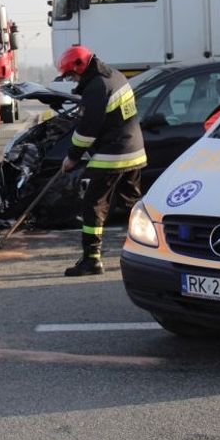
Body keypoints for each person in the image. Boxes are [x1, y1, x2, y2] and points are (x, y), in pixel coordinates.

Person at [57, 45, 146, 276]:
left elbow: (87, 130)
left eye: (71, 75)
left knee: (93, 206)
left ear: (80, 67)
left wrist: (72, 157)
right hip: (134, 150)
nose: (72, 79)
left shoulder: (96, 87)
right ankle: (148, 250)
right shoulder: (114, 75)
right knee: (133, 206)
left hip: (114, 154)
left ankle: (91, 260)